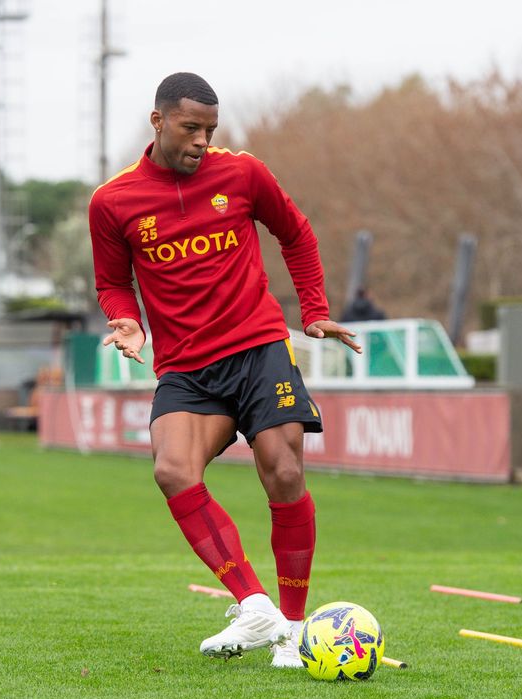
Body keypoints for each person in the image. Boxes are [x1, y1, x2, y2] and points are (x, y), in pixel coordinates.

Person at [89, 72, 361, 668]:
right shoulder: (112, 201)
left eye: (210, 130)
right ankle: (254, 604)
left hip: (259, 347)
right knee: (172, 470)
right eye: (191, 128)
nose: (202, 142)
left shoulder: (242, 174)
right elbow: (113, 281)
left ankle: (293, 632)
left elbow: (297, 234)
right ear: (158, 121)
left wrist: (313, 310)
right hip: (186, 367)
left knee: (284, 471)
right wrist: (126, 321)